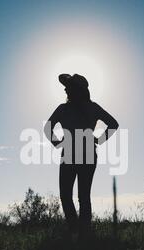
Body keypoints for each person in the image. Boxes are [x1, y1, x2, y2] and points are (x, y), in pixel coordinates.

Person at [44, 74, 119, 237]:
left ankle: (78, 232)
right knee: (78, 197)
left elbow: (114, 124)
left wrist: (99, 140)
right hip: (79, 155)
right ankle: (79, 232)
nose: (65, 89)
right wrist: (98, 140)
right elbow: (113, 124)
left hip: (77, 155)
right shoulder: (84, 108)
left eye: (68, 87)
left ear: (77, 90)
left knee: (75, 196)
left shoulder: (71, 109)